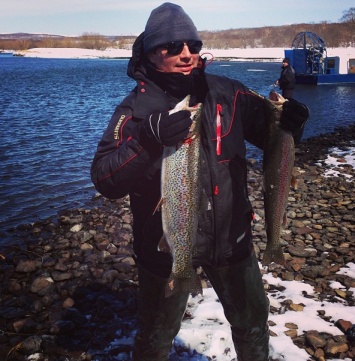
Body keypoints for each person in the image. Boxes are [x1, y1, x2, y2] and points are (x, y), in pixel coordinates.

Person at [91, 3, 309, 360]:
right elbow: (105, 179)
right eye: (173, 47)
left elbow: (273, 137)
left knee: (252, 322)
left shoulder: (227, 92)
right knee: (155, 336)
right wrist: (148, 139)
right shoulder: (133, 112)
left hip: (231, 237)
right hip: (166, 247)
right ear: (150, 52)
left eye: (193, 45)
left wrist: (291, 121)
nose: (187, 54)